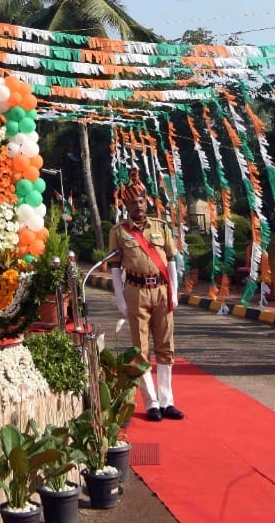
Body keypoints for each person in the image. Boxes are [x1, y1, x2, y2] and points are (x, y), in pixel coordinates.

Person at [108, 170, 183, 422]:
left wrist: (174, 291)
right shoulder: (119, 232)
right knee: (141, 349)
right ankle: (151, 402)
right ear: (126, 205)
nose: (137, 206)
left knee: (165, 346)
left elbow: (171, 260)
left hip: (161, 290)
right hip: (136, 291)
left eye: (141, 201)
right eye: (132, 203)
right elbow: (115, 268)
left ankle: (167, 400)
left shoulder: (161, 227)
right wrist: (119, 299)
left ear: (146, 201)